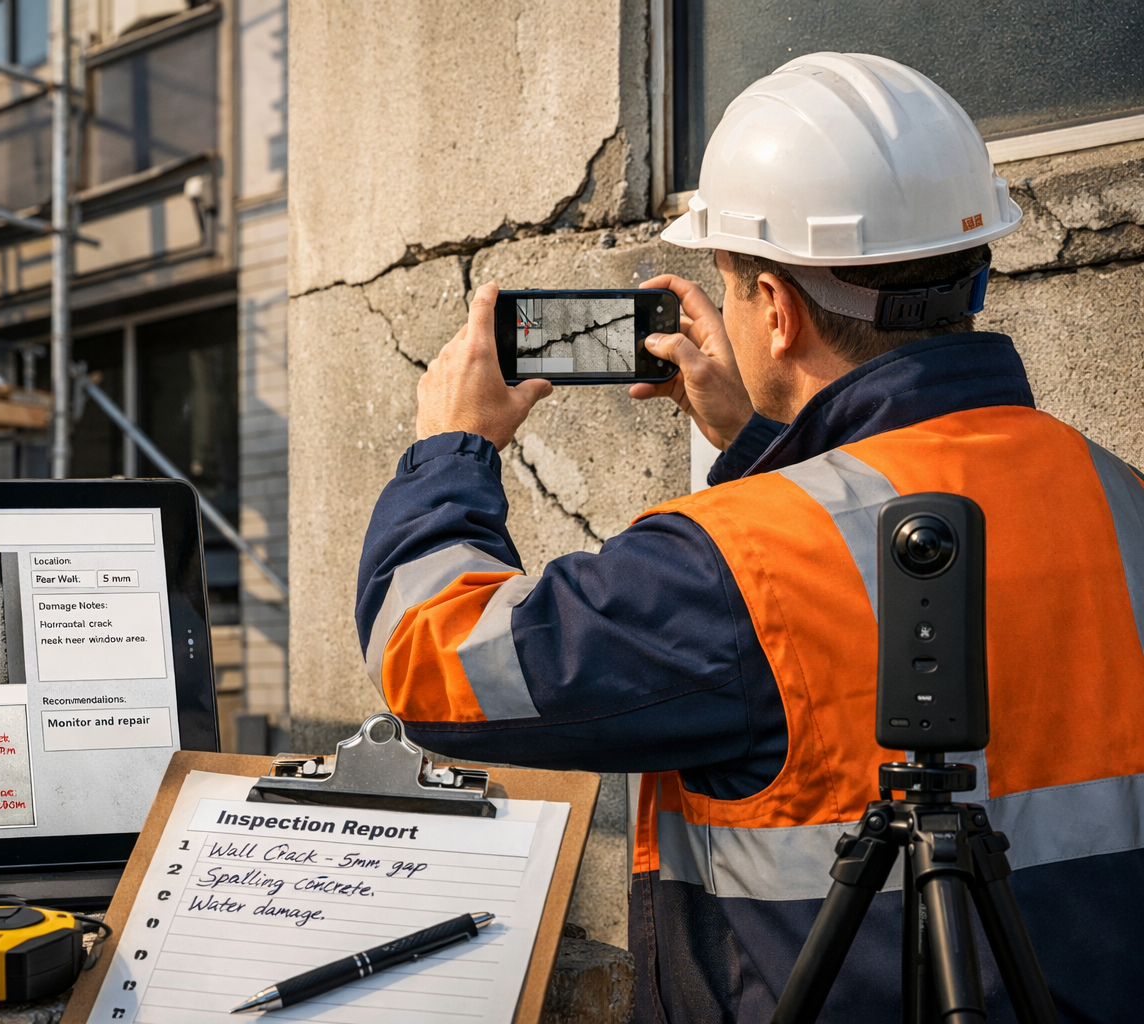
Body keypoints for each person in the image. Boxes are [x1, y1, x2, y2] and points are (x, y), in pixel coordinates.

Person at [355, 53, 1144, 1023]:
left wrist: (452, 448)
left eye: (726, 280)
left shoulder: (726, 563)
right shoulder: (1120, 495)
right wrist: (771, 449)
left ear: (774, 310)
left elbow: (437, 662)